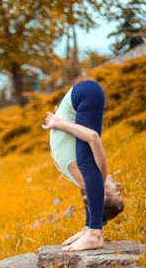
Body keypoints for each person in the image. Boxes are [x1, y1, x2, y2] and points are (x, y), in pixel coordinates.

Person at [41, 79, 124, 252]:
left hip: (82, 95)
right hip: (82, 96)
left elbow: (92, 137)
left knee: (88, 171)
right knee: (88, 172)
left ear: (102, 196)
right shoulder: (92, 176)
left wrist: (60, 123)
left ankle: (93, 233)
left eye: (116, 192)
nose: (119, 185)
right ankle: (91, 229)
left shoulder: (96, 176)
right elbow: (91, 188)